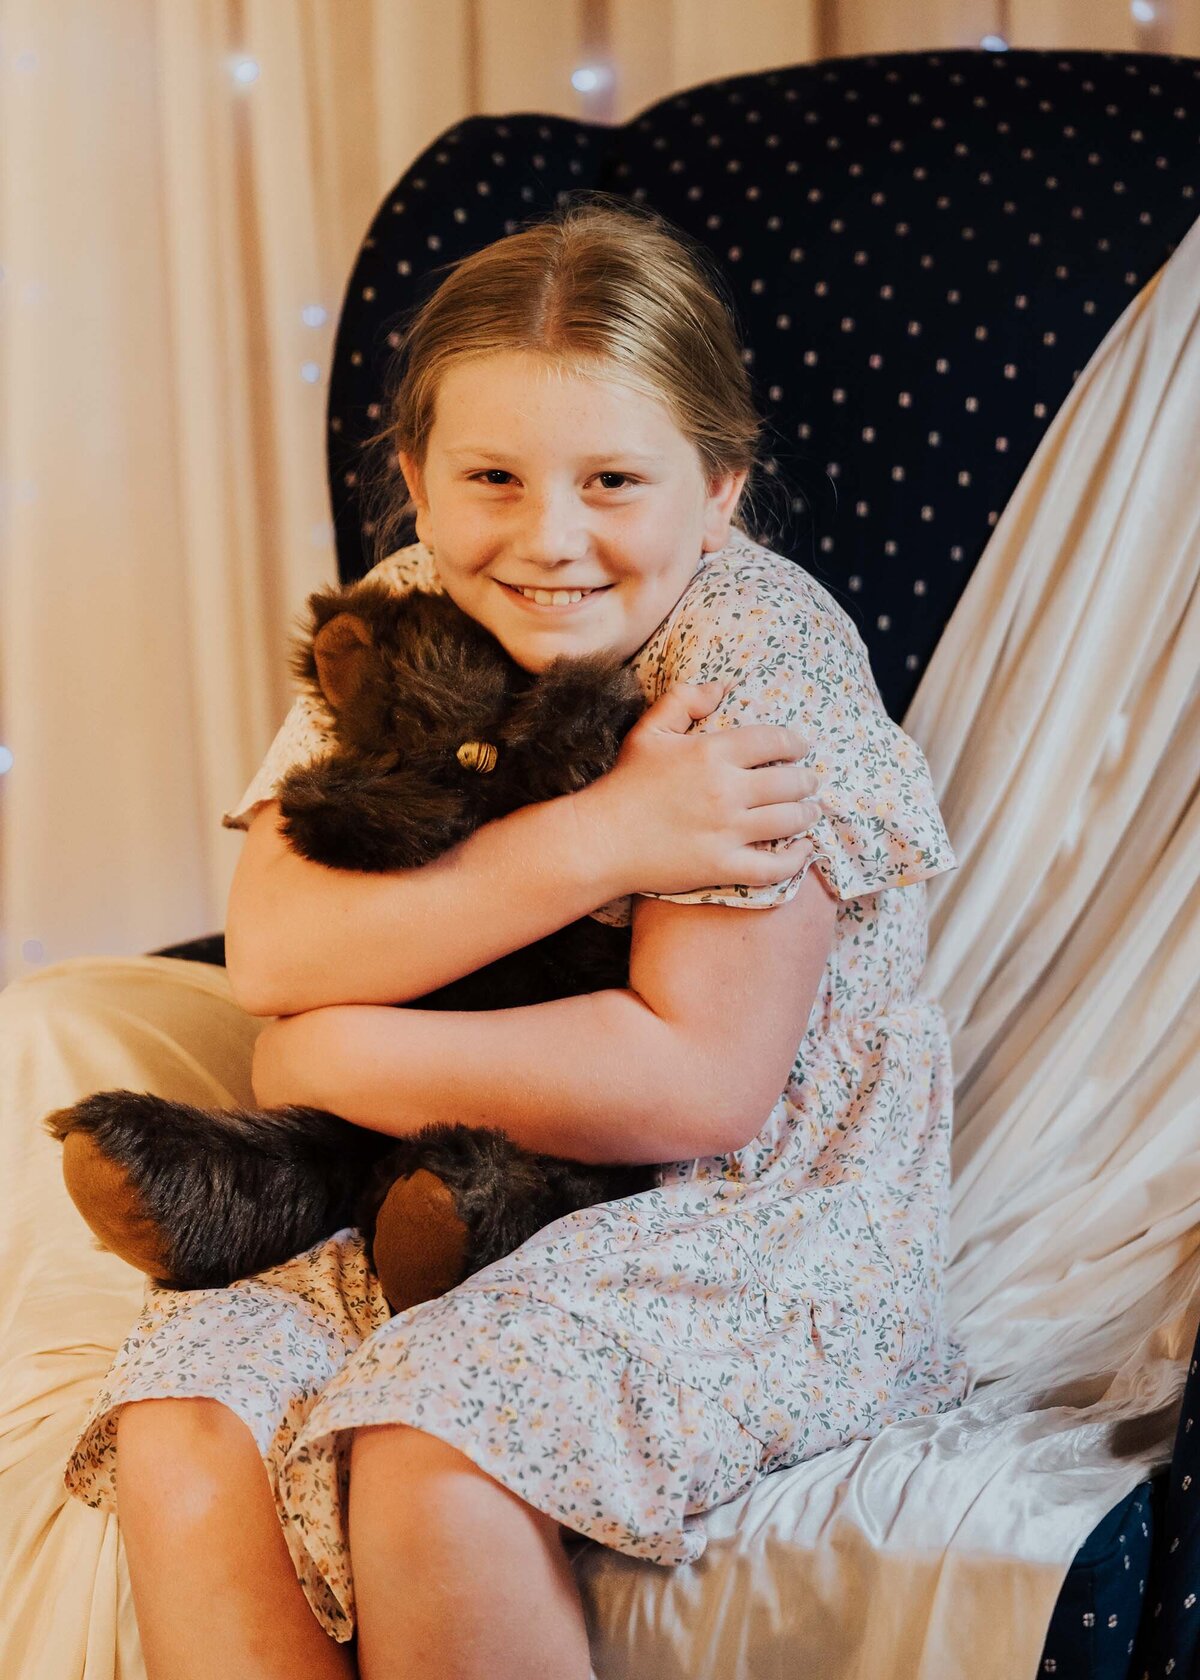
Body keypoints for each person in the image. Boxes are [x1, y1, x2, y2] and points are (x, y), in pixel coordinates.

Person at [32, 194, 971, 1680]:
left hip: (737, 1208)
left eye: (613, 479)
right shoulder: (409, 605)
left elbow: (699, 1082)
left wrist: (339, 1047)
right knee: (184, 1423)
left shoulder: (761, 656)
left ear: (720, 488)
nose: (549, 538)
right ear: (412, 477)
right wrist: (607, 837)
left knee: (426, 1448)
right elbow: (275, 947)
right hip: (430, 1187)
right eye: (491, 475)